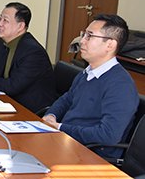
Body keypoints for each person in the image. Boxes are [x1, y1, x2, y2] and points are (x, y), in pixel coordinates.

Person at [43, 14, 138, 157]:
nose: (82, 41)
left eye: (90, 36)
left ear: (110, 45)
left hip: (91, 154)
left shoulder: (121, 85)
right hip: (67, 141)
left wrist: (60, 127)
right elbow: (67, 99)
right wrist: (51, 115)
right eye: (84, 35)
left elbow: (108, 135)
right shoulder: (88, 72)